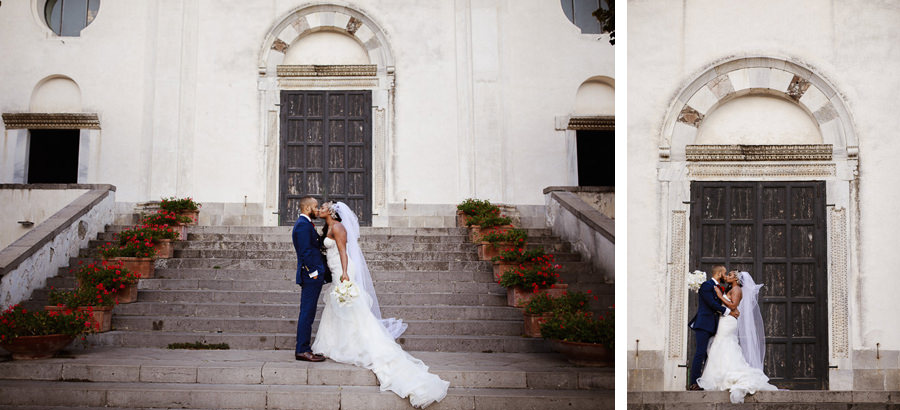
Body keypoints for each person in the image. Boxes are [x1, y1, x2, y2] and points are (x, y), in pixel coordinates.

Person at [312, 201, 448, 408]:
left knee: (351, 307)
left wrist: (346, 274)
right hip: (335, 267)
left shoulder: (338, 227)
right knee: (339, 307)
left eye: (322, 208)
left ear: (331, 212)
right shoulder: (328, 227)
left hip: (343, 269)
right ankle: (340, 340)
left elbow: (342, 251)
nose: (319, 210)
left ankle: (357, 343)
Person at [697, 271, 778, 403]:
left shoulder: (737, 289)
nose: (726, 276)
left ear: (736, 279)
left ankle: (724, 376)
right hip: (725, 320)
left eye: (730, 275)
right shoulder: (732, 288)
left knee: (722, 343)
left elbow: (733, 305)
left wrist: (719, 295)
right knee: (722, 345)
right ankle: (718, 376)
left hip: (728, 321)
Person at [291, 196, 331, 362]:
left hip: (313, 275)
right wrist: (313, 272)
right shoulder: (302, 226)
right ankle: (302, 350)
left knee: (309, 311)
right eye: (315, 207)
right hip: (310, 276)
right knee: (307, 313)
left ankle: (304, 348)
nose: (317, 210)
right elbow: (305, 252)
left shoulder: (306, 224)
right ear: (307, 208)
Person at [688, 265, 739, 391]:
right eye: (725, 273)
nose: (726, 276)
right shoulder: (707, 285)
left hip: (714, 326)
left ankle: (705, 381)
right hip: (704, 324)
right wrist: (729, 312)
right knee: (700, 353)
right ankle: (694, 383)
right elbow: (712, 304)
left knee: (709, 354)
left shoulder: (719, 288)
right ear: (720, 273)